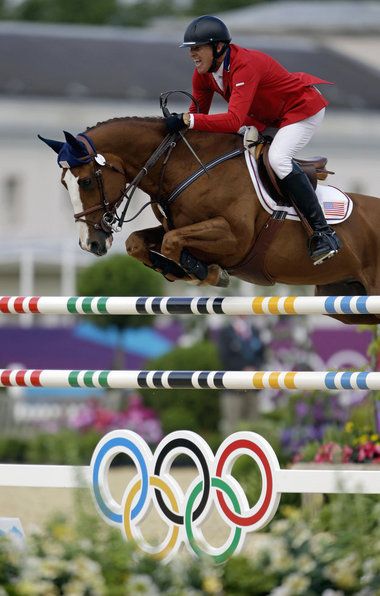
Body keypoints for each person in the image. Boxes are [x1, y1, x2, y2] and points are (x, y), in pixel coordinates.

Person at [165, 15, 341, 265]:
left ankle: (324, 233)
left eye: (198, 48)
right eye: (190, 49)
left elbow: (232, 120)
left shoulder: (244, 64)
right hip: (264, 114)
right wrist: (177, 129)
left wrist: (186, 121)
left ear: (218, 47)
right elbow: (197, 119)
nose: (193, 55)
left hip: (301, 108)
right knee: (228, 146)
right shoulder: (202, 75)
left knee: (278, 159)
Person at [216, 316, 266, 434]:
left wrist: (254, 369)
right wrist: (243, 369)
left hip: (253, 385)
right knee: (232, 428)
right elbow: (224, 357)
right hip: (233, 387)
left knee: (254, 427)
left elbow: (261, 355)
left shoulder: (254, 330)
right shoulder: (226, 332)